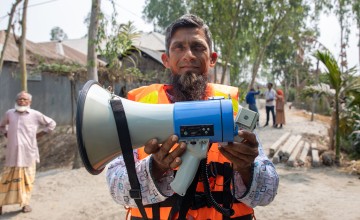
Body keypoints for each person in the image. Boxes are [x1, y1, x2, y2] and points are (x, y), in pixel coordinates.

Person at [106, 14, 279, 220]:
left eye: (198, 47)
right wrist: (156, 168)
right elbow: (116, 187)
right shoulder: (137, 111)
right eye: (178, 47)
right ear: (166, 60)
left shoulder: (233, 114)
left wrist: (247, 168)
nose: (188, 55)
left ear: (212, 59)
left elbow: (268, 192)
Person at [0, 91, 56, 215]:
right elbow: (2, 126)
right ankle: (1, 204)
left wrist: (40, 134)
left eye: (25, 99)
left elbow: (51, 124)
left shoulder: (35, 114)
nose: (22, 101)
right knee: (6, 180)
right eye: (19, 99)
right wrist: (6, 134)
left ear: (29, 102)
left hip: (28, 154)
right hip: (12, 155)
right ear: (16, 101)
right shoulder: (9, 114)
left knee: (27, 181)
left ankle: (25, 204)